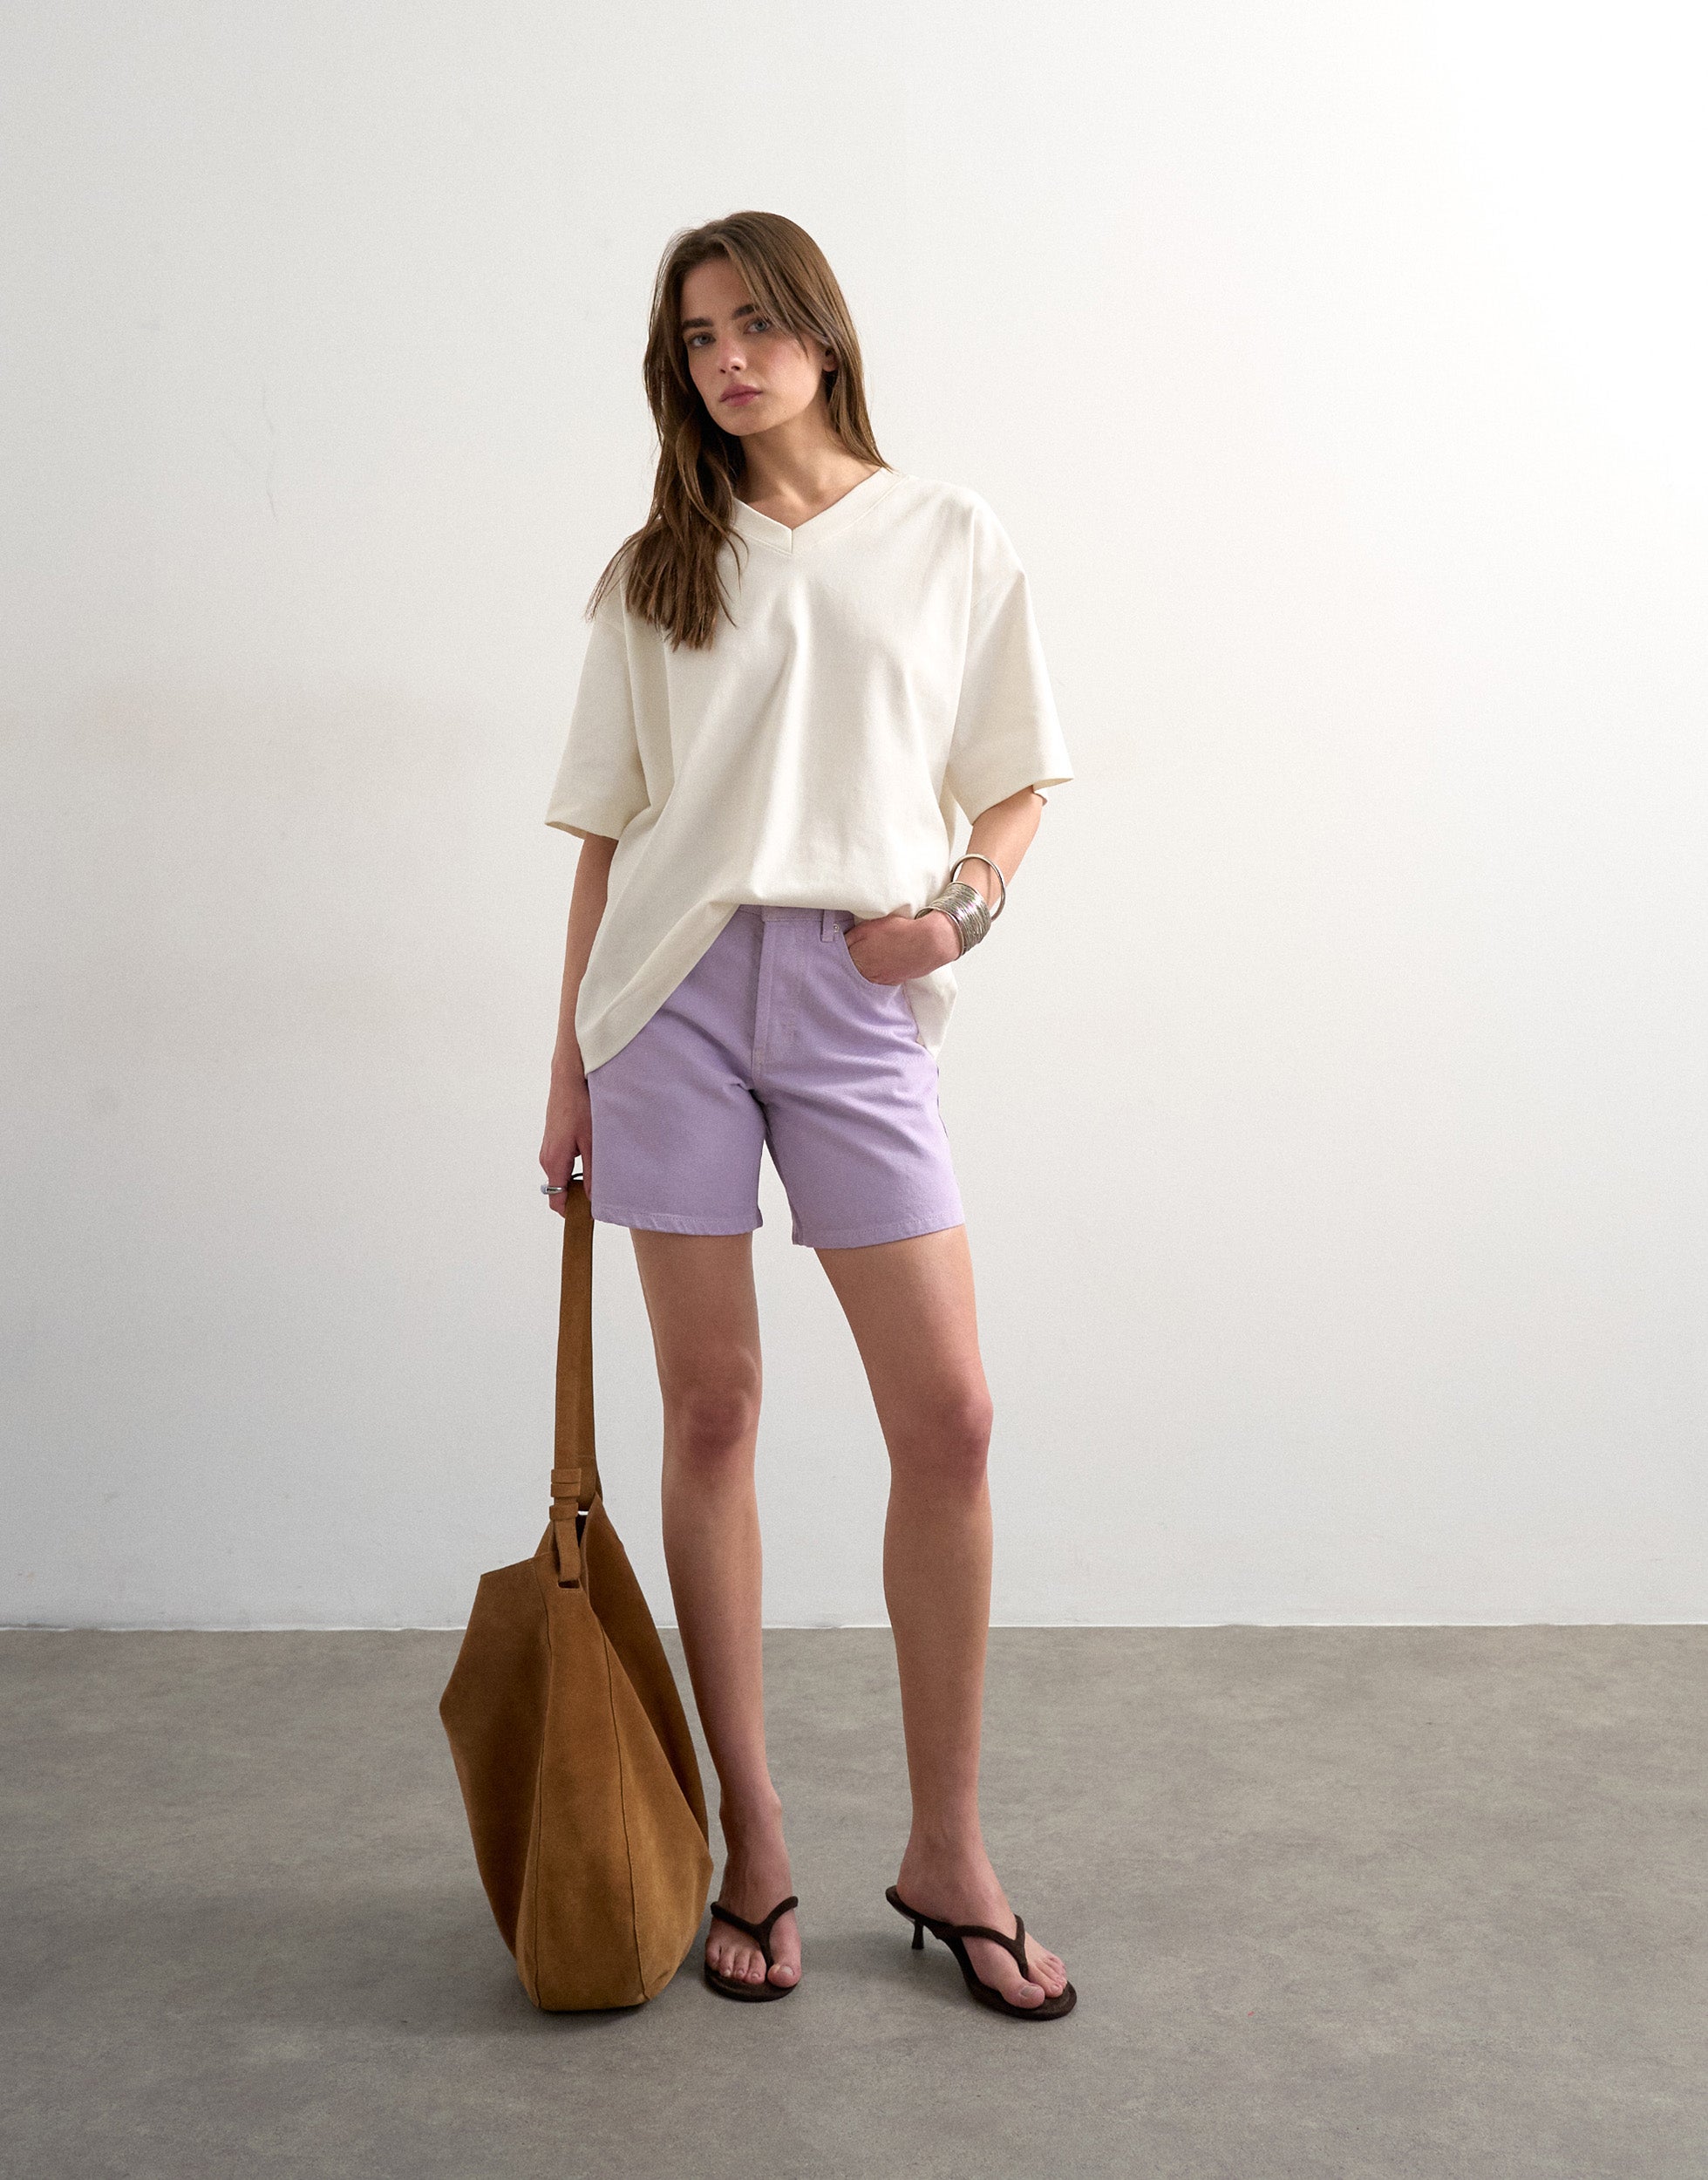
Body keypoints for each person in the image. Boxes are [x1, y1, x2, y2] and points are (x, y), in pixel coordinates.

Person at [537, 210, 1076, 2020]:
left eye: (755, 325)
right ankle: (752, 1838)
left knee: (952, 1416)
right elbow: (607, 837)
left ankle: (948, 1849)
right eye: (697, 338)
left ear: (822, 335)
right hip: (668, 1004)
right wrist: (567, 1068)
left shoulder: (946, 535)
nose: (728, 361)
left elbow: (1014, 783)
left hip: (855, 995)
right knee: (712, 1409)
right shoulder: (654, 571)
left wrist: (957, 916)